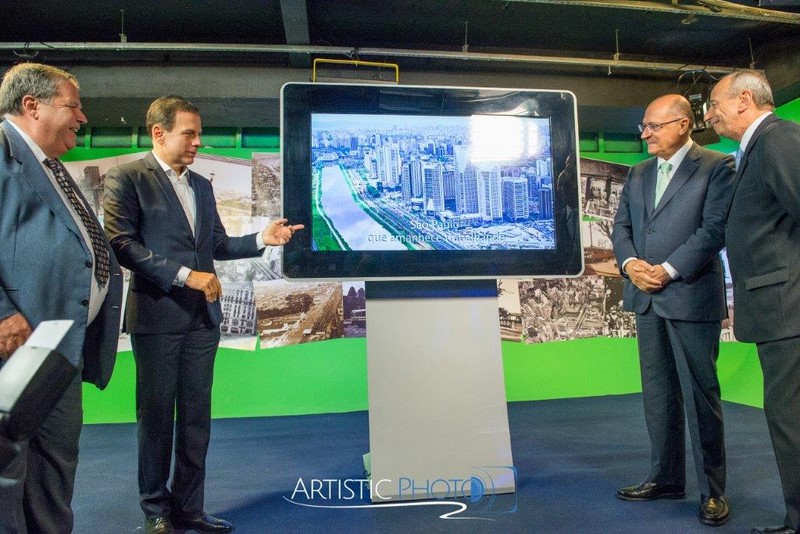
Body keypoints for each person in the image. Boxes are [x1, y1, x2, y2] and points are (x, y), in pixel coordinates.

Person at [103, 95, 303, 534]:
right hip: (157, 318)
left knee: (196, 418)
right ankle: (156, 511)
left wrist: (261, 238)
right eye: (189, 133)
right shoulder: (126, 178)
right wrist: (185, 276)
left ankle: (189, 509)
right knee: (155, 418)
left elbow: (215, 246)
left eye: (198, 133)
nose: (198, 141)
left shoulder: (201, 185)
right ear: (159, 132)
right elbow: (122, 244)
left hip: (201, 322)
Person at [0, 63, 123, 533]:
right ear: (31, 106)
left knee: (53, 472)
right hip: (17, 349)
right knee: (7, 474)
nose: (83, 117)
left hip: (58, 352)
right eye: (72, 105)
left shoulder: (51, 165)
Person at [611, 94, 734, 526]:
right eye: (643, 126)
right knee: (658, 396)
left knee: (701, 397)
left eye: (653, 126)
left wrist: (666, 269)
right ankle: (665, 478)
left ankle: (713, 492)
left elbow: (714, 230)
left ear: (683, 124)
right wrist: (630, 265)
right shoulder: (639, 172)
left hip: (690, 297)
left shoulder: (718, 166)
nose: (644, 134)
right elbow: (621, 226)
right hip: (645, 298)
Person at [705, 69, 800, 534]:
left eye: (715, 102)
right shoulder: (758, 148)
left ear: (745, 100)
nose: (709, 112)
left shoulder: (779, 140)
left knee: (791, 422)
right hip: (782, 310)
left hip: (790, 311)